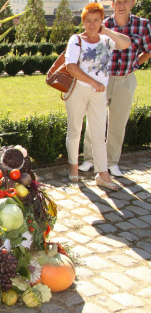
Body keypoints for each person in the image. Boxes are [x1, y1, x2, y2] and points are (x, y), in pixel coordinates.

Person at [79, 0, 151, 176]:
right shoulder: (102, 23)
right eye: (118, 1)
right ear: (112, 3)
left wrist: (134, 64)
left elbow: (148, 50)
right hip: (101, 80)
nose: (121, 5)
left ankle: (111, 162)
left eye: (126, 1)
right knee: (94, 120)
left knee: (118, 123)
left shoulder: (143, 25)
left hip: (125, 81)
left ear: (133, 3)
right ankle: (89, 159)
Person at [64, 3, 131, 190]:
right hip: (78, 89)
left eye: (96, 21)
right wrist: (94, 83)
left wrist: (106, 31)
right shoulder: (76, 39)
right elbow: (71, 67)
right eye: (88, 21)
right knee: (75, 130)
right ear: (83, 22)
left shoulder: (106, 40)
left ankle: (102, 175)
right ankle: (74, 167)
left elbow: (126, 43)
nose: (92, 25)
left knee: (99, 135)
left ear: (102, 21)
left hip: (98, 94)